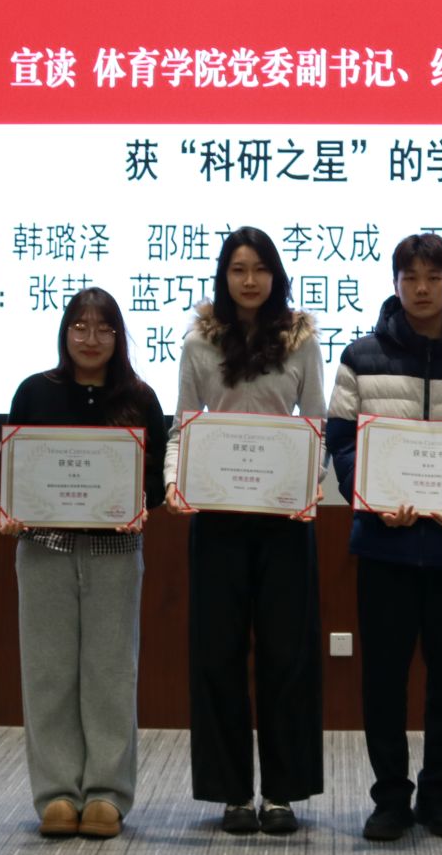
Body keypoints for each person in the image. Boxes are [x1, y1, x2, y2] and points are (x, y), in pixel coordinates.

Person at [324, 232, 442, 843]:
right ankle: (389, 798)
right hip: (386, 548)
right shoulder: (360, 357)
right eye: (411, 278)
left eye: (434, 277)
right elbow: (340, 443)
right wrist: (374, 499)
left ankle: (437, 794)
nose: (422, 289)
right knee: (383, 680)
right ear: (396, 284)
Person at [163, 226, 327, 835]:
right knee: (218, 655)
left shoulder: (301, 340)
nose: (250, 280)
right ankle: (232, 793)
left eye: (260, 268)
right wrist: (175, 482)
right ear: (224, 276)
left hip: (285, 518)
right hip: (218, 517)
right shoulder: (199, 343)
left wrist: (310, 483)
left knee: (289, 655)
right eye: (238, 269)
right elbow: (183, 428)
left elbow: (315, 426)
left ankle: (281, 793)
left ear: (275, 275)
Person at [0, 288, 168, 841]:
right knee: (48, 673)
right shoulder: (35, 391)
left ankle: (107, 794)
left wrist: (139, 503)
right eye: (80, 327)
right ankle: (58, 794)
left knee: (110, 674)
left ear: (118, 337)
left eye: (104, 329)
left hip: (114, 552)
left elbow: (156, 477)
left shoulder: (139, 397)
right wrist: (8, 508)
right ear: (65, 333)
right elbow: (9, 467)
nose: (91, 339)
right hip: (44, 549)